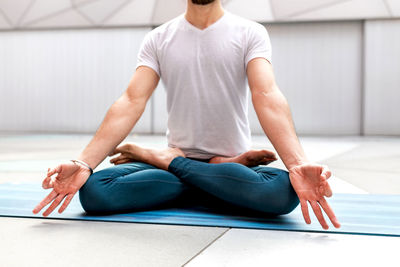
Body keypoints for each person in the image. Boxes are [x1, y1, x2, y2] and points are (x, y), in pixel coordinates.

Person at [33, 0, 340, 230]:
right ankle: (210, 179)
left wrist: (297, 165)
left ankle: (168, 161)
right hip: (226, 176)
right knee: (94, 193)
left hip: (194, 164)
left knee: (281, 194)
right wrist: (83, 162)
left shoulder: (250, 33)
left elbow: (266, 94)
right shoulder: (159, 38)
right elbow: (131, 100)